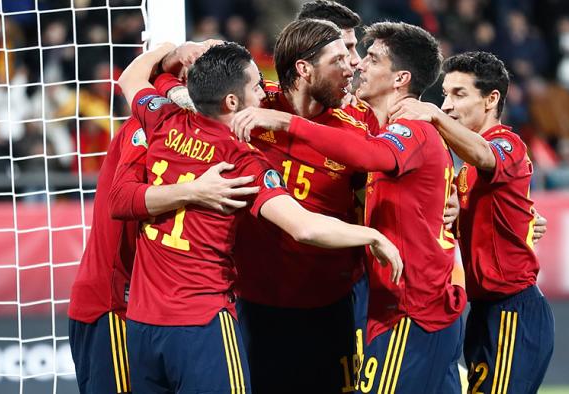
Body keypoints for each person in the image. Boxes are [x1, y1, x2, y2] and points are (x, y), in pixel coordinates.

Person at [115, 41, 402, 394]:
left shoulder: (163, 118)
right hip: (202, 320)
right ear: (232, 103)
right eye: (255, 87)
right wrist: (373, 236)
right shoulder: (242, 161)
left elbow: (131, 77)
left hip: (143, 322)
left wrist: (172, 50)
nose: (263, 95)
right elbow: (305, 227)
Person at [233, 22, 468, 393]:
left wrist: (288, 122)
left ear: (400, 78)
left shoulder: (412, 128)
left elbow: (373, 155)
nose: (358, 65)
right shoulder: (385, 130)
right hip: (397, 307)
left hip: (411, 308)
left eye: (371, 58)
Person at [67, 84, 259, 393]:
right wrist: (195, 190)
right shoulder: (146, 127)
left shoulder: (196, 136)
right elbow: (120, 199)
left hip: (147, 308)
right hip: (112, 305)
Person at [389, 51, 555, 394]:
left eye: (459, 94)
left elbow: (483, 154)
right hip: (483, 310)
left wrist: (433, 117)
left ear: (491, 99)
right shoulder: (466, 174)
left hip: (513, 310)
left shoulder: (508, 144)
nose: (447, 105)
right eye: (445, 95)